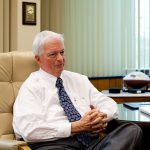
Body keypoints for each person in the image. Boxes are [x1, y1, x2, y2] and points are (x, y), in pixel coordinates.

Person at [13, 30, 142, 150]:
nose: (60, 59)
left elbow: (109, 103)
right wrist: (75, 127)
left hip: (92, 142)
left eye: (62, 52)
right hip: (57, 144)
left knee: (132, 130)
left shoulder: (79, 79)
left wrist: (101, 116)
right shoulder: (30, 88)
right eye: (53, 54)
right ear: (38, 59)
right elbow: (29, 130)